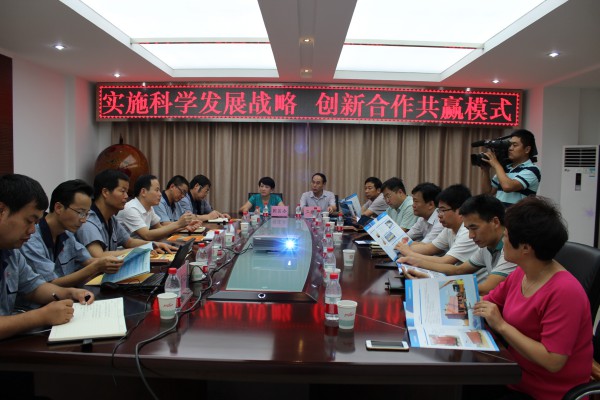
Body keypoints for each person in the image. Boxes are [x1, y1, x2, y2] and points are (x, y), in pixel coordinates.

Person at [471, 197, 592, 400]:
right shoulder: (521, 273)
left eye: (506, 236)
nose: (503, 241)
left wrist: (501, 325)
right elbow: (488, 301)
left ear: (526, 248)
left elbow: (553, 360)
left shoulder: (565, 292)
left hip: (544, 392)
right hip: (512, 374)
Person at [0, 174, 94, 340]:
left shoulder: (11, 251)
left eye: (35, 223)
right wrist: (41, 316)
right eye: (29, 221)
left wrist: (70, 293)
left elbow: (34, 287)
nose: (32, 230)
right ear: (2, 211)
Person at [403, 194, 516, 295]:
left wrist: (434, 283)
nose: (471, 235)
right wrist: (417, 263)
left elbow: (486, 289)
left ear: (495, 222)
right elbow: (459, 270)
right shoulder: (486, 246)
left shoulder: (512, 247)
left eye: (474, 228)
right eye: (468, 229)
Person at [20, 179, 123, 288]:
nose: (83, 220)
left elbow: (88, 260)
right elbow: (49, 285)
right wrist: (96, 267)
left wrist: (113, 263)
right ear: (59, 208)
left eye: (86, 214)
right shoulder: (31, 239)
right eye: (81, 213)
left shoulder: (67, 233)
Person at [76, 169, 174, 258]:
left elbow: (129, 241)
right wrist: (141, 250)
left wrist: (153, 245)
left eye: (127, 192)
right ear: (105, 192)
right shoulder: (88, 221)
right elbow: (99, 256)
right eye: (122, 191)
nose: (126, 196)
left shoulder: (111, 218)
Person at [396, 184, 477, 268]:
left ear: (459, 211)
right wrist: (401, 248)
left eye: (443, 210)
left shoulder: (467, 232)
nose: (439, 215)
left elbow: (444, 261)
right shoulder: (449, 229)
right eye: (439, 210)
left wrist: (409, 253)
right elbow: (429, 248)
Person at [116, 174, 199, 241]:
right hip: (126, 252)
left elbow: (161, 229)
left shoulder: (149, 208)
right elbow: (147, 235)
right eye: (157, 190)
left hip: (143, 248)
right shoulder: (131, 208)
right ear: (143, 192)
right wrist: (178, 224)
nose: (160, 194)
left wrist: (184, 226)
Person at [481, 129, 541, 207]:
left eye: (515, 145)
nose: (510, 148)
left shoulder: (532, 170)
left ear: (527, 149)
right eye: (509, 145)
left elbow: (508, 187)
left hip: (518, 214)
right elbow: (488, 192)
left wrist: (496, 165)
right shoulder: (505, 168)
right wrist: (485, 170)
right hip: (501, 214)